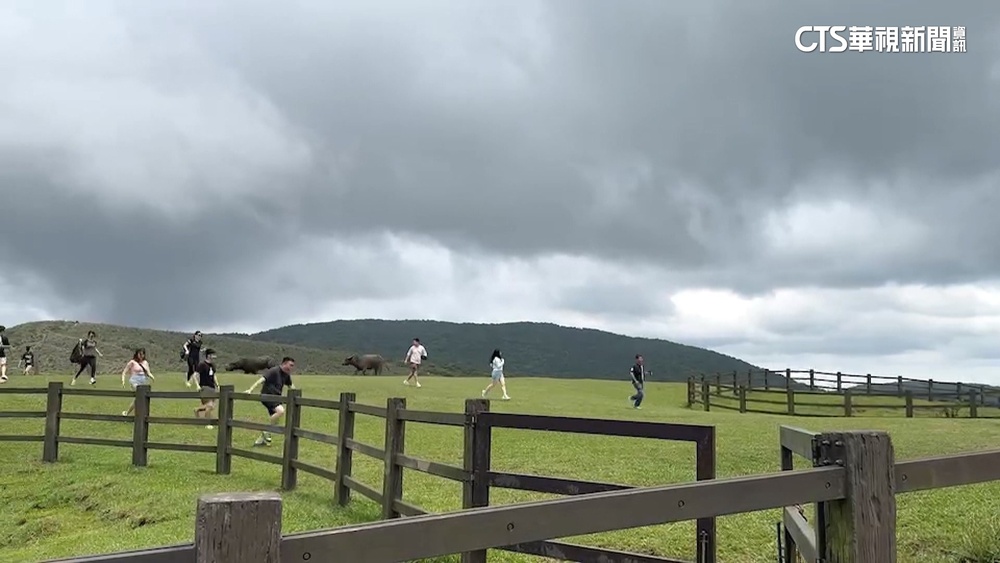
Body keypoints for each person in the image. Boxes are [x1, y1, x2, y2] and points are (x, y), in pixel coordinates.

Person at [245, 356, 296, 446]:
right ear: (284, 364)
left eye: (293, 366)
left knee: (275, 420)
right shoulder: (274, 371)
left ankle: (261, 440)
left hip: (277, 398)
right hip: (267, 396)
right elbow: (261, 380)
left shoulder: (286, 375)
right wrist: (250, 389)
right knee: (280, 411)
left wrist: (297, 396)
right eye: (290, 365)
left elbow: (291, 386)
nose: (292, 368)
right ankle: (266, 430)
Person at [121, 348, 154, 416]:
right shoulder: (132, 362)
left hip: (143, 381)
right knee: (140, 395)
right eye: (140, 354)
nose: (141, 356)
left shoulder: (145, 362)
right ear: (137, 354)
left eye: (143, 354)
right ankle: (136, 414)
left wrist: (152, 376)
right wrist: (123, 380)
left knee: (139, 399)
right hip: (134, 381)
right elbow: (124, 372)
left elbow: (148, 372)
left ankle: (129, 413)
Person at [193, 348, 219, 428]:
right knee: (210, 405)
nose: (214, 356)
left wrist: (217, 385)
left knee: (211, 406)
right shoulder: (202, 365)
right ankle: (208, 423)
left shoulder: (213, 365)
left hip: (212, 388)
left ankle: (197, 409)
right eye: (213, 355)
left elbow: (214, 376)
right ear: (208, 355)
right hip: (204, 387)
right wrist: (197, 385)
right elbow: (195, 375)